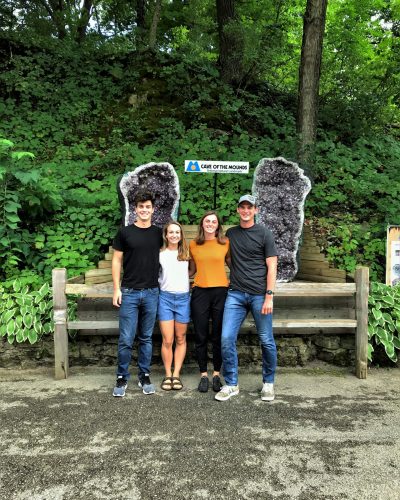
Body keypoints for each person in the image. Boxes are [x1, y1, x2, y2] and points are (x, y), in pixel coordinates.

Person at [215, 194, 278, 402]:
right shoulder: (231, 234)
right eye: (242, 207)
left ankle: (268, 383)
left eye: (249, 207)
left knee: (266, 340)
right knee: (226, 338)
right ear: (237, 210)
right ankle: (232, 384)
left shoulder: (264, 233)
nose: (245, 211)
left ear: (255, 210)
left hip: (260, 295)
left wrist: (269, 295)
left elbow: (272, 266)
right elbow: (226, 258)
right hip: (235, 294)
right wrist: (238, 272)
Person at [112, 190, 163, 397]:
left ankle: (144, 375)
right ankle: (122, 377)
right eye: (141, 207)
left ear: (153, 209)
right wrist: (116, 288)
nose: (144, 210)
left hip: (152, 292)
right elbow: (116, 261)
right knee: (126, 338)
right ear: (135, 209)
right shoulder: (125, 232)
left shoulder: (158, 233)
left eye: (147, 207)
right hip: (129, 292)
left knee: (146, 338)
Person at [189, 211, 230, 393]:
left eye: (214, 221)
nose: (210, 224)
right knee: (201, 335)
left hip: (221, 292)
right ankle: (203, 374)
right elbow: (190, 270)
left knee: (218, 335)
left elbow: (233, 265)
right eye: (207, 221)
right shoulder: (193, 244)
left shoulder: (225, 243)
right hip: (200, 292)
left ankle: (216, 374)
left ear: (218, 225)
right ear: (202, 224)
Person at [158, 221, 191, 391]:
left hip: (183, 299)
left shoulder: (185, 253)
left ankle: (176, 374)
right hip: (165, 299)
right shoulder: (160, 254)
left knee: (180, 338)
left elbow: (192, 270)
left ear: (181, 235)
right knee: (168, 339)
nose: (174, 235)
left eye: (177, 232)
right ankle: (167, 374)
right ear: (165, 235)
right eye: (171, 232)